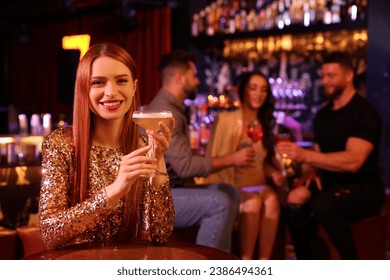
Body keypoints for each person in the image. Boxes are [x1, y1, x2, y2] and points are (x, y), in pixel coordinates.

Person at [39, 42, 175, 249]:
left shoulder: (141, 146)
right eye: (98, 83)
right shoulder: (61, 144)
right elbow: (49, 233)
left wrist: (159, 159)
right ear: (84, 88)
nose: (111, 92)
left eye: (121, 80)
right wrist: (114, 191)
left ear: (134, 87)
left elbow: (161, 234)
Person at [276, 51, 385, 259]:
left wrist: (305, 156)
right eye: (323, 75)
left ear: (348, 75)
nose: (325, 81)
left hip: (364, 188)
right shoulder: (323, 115)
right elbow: (319, 151)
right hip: (330, 185)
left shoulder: (364, 113)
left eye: (331, 76)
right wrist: (309, 171)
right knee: (294, 199)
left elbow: (353, 162)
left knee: (323, 205)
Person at [147, 50, 247, 252]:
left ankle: (222, 262)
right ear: (179, 78)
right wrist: (233, 158)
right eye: (194, 76)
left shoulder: (172, 108)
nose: (198, 81)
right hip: (156, 195)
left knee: (230, 191)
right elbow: (185, 167)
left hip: (173, 187)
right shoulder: (164, 112)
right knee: (220, 202)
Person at [203, 71, 286, 260]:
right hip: (235, 185)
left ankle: (264, 265)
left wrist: (273, 173)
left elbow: (261, 162)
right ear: (243, 91)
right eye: (253, 88)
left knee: (272, 200)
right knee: (254, 202)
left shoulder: (263, 123)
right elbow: (215, 157)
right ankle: (245, 262)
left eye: (264, 90)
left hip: (258, 183)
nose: (259, 94)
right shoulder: (226, 120)